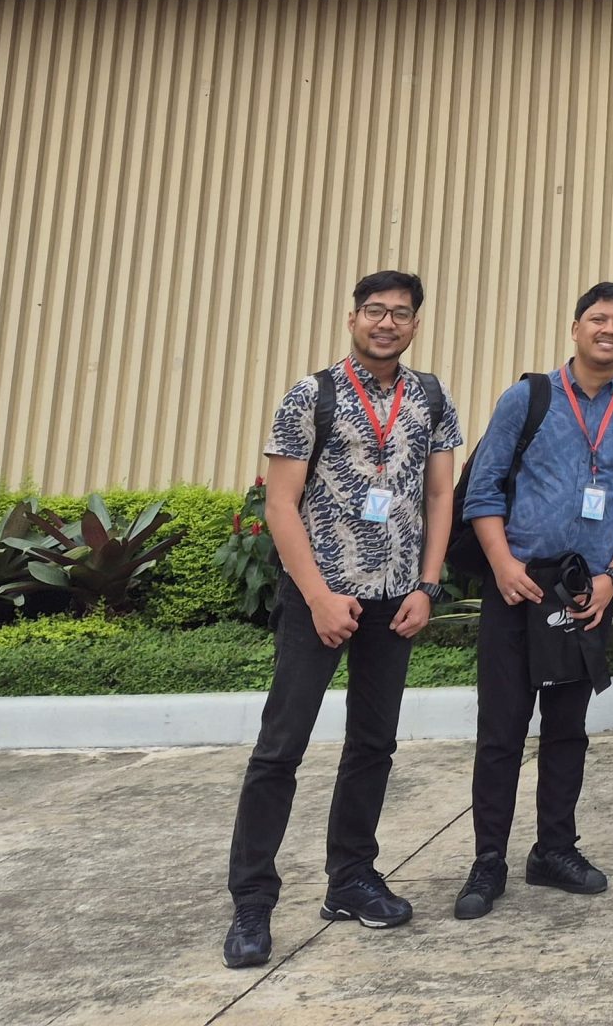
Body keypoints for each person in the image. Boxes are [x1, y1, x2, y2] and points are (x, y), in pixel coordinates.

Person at [222, 270, 463, 969]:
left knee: (373, 745)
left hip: (396, 600)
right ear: (353, 317)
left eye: (401, 313)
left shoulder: (432, 397)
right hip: (319, 597)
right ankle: (252, 902)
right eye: (375, 311)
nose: (387, 323)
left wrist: (428, 585)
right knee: (280, 749)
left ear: (415, 324)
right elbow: (280, 504)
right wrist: (320, 596)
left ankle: (351, 878)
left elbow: (440, 496)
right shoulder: (312, 394)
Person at [452, 282, 613, 920]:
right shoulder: (527, 399)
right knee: (501, 730)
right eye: (598, 318)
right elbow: (483, 490)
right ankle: (487, 860)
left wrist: (612, 579)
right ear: (576, 328)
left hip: (585, 592)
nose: (609, 329)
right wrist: (502, 565)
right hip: (517, 585)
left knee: (567, 730)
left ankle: (554, 849)